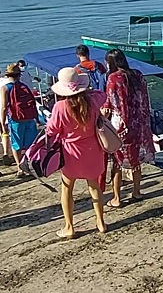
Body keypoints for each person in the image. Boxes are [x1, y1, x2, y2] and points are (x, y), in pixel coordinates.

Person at [45, 68, 107, 238]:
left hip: (71, 153)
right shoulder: (93, 101)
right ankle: (101, 222)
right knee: (94, 187)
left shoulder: (60, 107)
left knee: (67, 189)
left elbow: (51, 130)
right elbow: (103, 94)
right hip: (92, 149)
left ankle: (69, 226)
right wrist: (87, 89)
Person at [102, 49, 156, 208]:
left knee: (117, 162)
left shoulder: (113, 78)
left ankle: (117, 198)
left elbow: (109, 103)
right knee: (136, 160)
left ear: (110, 62)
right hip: (140, 124)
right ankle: (137, 191)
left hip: (122, 126)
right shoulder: (137, 74)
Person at [0, 63, 39, 177]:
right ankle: (28, 165)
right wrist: (36, 117)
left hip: (16, 119)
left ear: (7, 75)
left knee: (16, 145)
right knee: (29, 144)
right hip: (29, 118)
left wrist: (2, 123)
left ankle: (20, 168)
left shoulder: (5, 88)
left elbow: (4, 107)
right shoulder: (24, 86)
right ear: (19, 75)